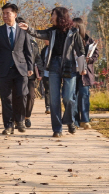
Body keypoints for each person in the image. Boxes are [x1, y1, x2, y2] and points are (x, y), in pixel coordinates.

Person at [19, 7, 84, 137]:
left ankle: (70, 120)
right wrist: (28, 28)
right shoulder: (52, 31)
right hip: (54, 65)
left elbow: (80, 50)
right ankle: (57, 129)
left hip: (69, 66)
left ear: (60, 16)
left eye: (53, 15)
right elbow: (38, 33)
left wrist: (83, 68)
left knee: (68, 98)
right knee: (54, 100)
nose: (51, 17)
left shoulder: (73, 32)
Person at [0, 3, 33, 135]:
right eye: (3, 13)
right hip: (3, 69)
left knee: (22, 95)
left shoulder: (23, 30)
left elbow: (28, 50)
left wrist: (30, 66)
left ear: (15, 14)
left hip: (21, 69)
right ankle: (8, 125)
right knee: (6, 98)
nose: (5, 16)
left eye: (8, 13)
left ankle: (20, 121)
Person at [12, 17, 43, 128]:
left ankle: (27, 117)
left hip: (30, 74)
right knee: (18, 95)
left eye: (24, 25)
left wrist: (40, 72)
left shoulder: (32, 42)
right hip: (17, 72)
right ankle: (17, 118)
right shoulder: (13, 42)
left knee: (30, 96)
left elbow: (37, 57)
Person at [72, 18, 99, 130]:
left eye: (75, 27)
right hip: (73, 71)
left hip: (85, 73)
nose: (73, 29)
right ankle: (75, 121)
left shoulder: (90, 41)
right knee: (73, 97)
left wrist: (89, 59)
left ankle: (85, 120)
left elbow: (96, 55)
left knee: (84, 96)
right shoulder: (70, 40)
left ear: (80, 28)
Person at [39, 38, 51, 114]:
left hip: (54, 72)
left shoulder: (55, 49)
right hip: (45, 73)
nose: (45, 40)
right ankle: (48, 106)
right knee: (47, 90)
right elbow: (40, 60)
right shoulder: (43, 50)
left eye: (46, 39)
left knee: (54, 90)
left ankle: (54, 106)